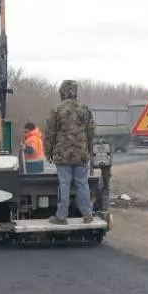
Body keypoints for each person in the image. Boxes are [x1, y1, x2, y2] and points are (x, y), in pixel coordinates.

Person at [44, 79, 94, 224]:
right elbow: (91, 131)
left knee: (64, 184)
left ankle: (61, 216)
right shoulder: (84, 108)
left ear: (62, 91)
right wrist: (89, 149)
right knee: (82, 184)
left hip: (63, 154)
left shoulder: (57, 109)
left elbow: (50, 133)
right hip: (81, 154)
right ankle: (87, 215)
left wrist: (48, 152)